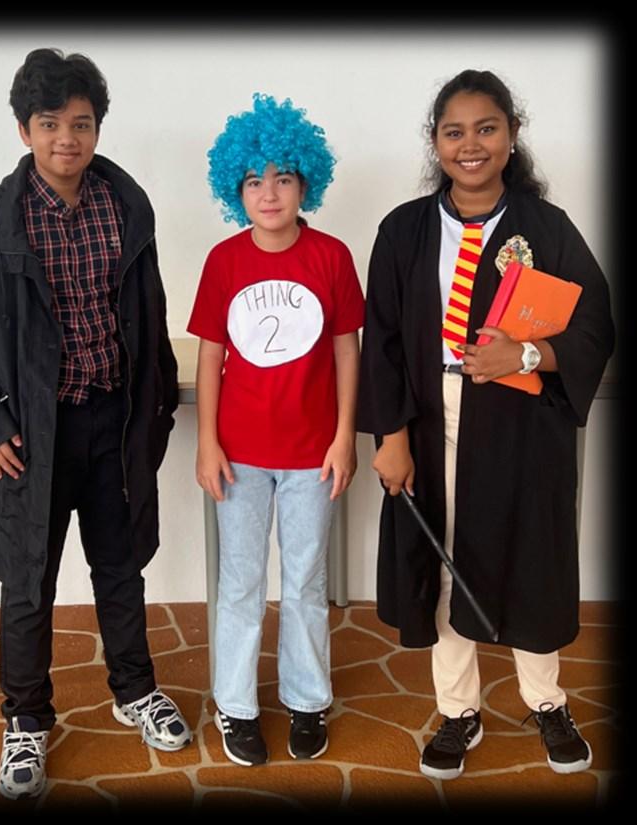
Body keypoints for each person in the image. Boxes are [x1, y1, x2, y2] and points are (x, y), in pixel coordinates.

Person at [0, 48, 191, 801]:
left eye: (81, 123)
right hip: (29, 435)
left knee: (120, 566)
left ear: (97, 128)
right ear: (24, 130)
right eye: (49, 123)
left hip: (113, 421)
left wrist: (156, 412)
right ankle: (27, 718)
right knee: (27, 580)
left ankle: (134, 689)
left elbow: (150, 310)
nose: (66, 138)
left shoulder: (125, 206)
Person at [357, 69, 614, 781]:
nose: (469, 145)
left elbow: (594, 325)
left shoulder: (546, 228)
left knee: (531, 556)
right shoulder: (403, 230)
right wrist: (391, 436)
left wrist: (526, 354)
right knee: (444, 558)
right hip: (428, 416)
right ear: (434, 141)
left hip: (519, 421)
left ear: (511, 135)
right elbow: (381, 340)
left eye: (486, 128)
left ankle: (546, 701)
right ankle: (458, 709)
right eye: (454, 131)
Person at [187, 93, 365, 766]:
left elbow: (346, 350)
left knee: (304, 579)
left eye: (282, 177)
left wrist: (344, 436)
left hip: (313, 455)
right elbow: (209, 354)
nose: (268, 193)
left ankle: (307, 697)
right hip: (238, 455)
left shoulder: (332, 257)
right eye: (253, 180)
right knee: (239, 581)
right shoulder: (223, 261)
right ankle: (235, 704)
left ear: (304, 181)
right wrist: (207, 441)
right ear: (235, 190)